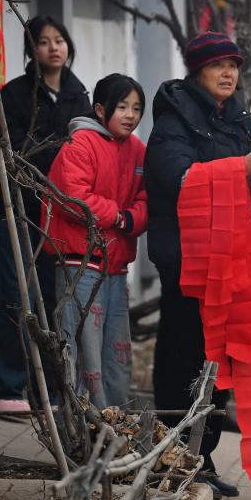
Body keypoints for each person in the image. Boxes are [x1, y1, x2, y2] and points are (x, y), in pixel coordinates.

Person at [145, 32, 251, 499]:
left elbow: (244, 190)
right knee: (184, 356)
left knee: (220, 357)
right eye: (217, 65)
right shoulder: (174, 117)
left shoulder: (234, 117)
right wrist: (240, 167)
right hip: (186, 256)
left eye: (234, 65)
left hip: (231, 252)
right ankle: (173, 458)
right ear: (195, 70)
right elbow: (177, 178)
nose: (228, 74)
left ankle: (203, 458)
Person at [0, 16, 91, 414]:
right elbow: (10, 152)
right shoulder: (15, 94)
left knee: (52, 299)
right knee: (13, 296)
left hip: (59, 214)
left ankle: (52, 392)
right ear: (31, 50)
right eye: (43, 42)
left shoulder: (81, 97)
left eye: (59, 40)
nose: (53, 48)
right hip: (16, 209)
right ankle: (4, 388)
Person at [45, 74, 147, 409]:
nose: (130, 115)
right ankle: (80, 432)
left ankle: (114, 427)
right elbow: (73, 197)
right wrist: (119, 217)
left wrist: (135, 218)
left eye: (136, 108)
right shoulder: (80, 145)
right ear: (101, 109)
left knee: (117, 352)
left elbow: (149, 197)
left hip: (117, 268)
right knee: (80, 351)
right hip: (80, 263)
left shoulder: (137, 150)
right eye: (122, 107)